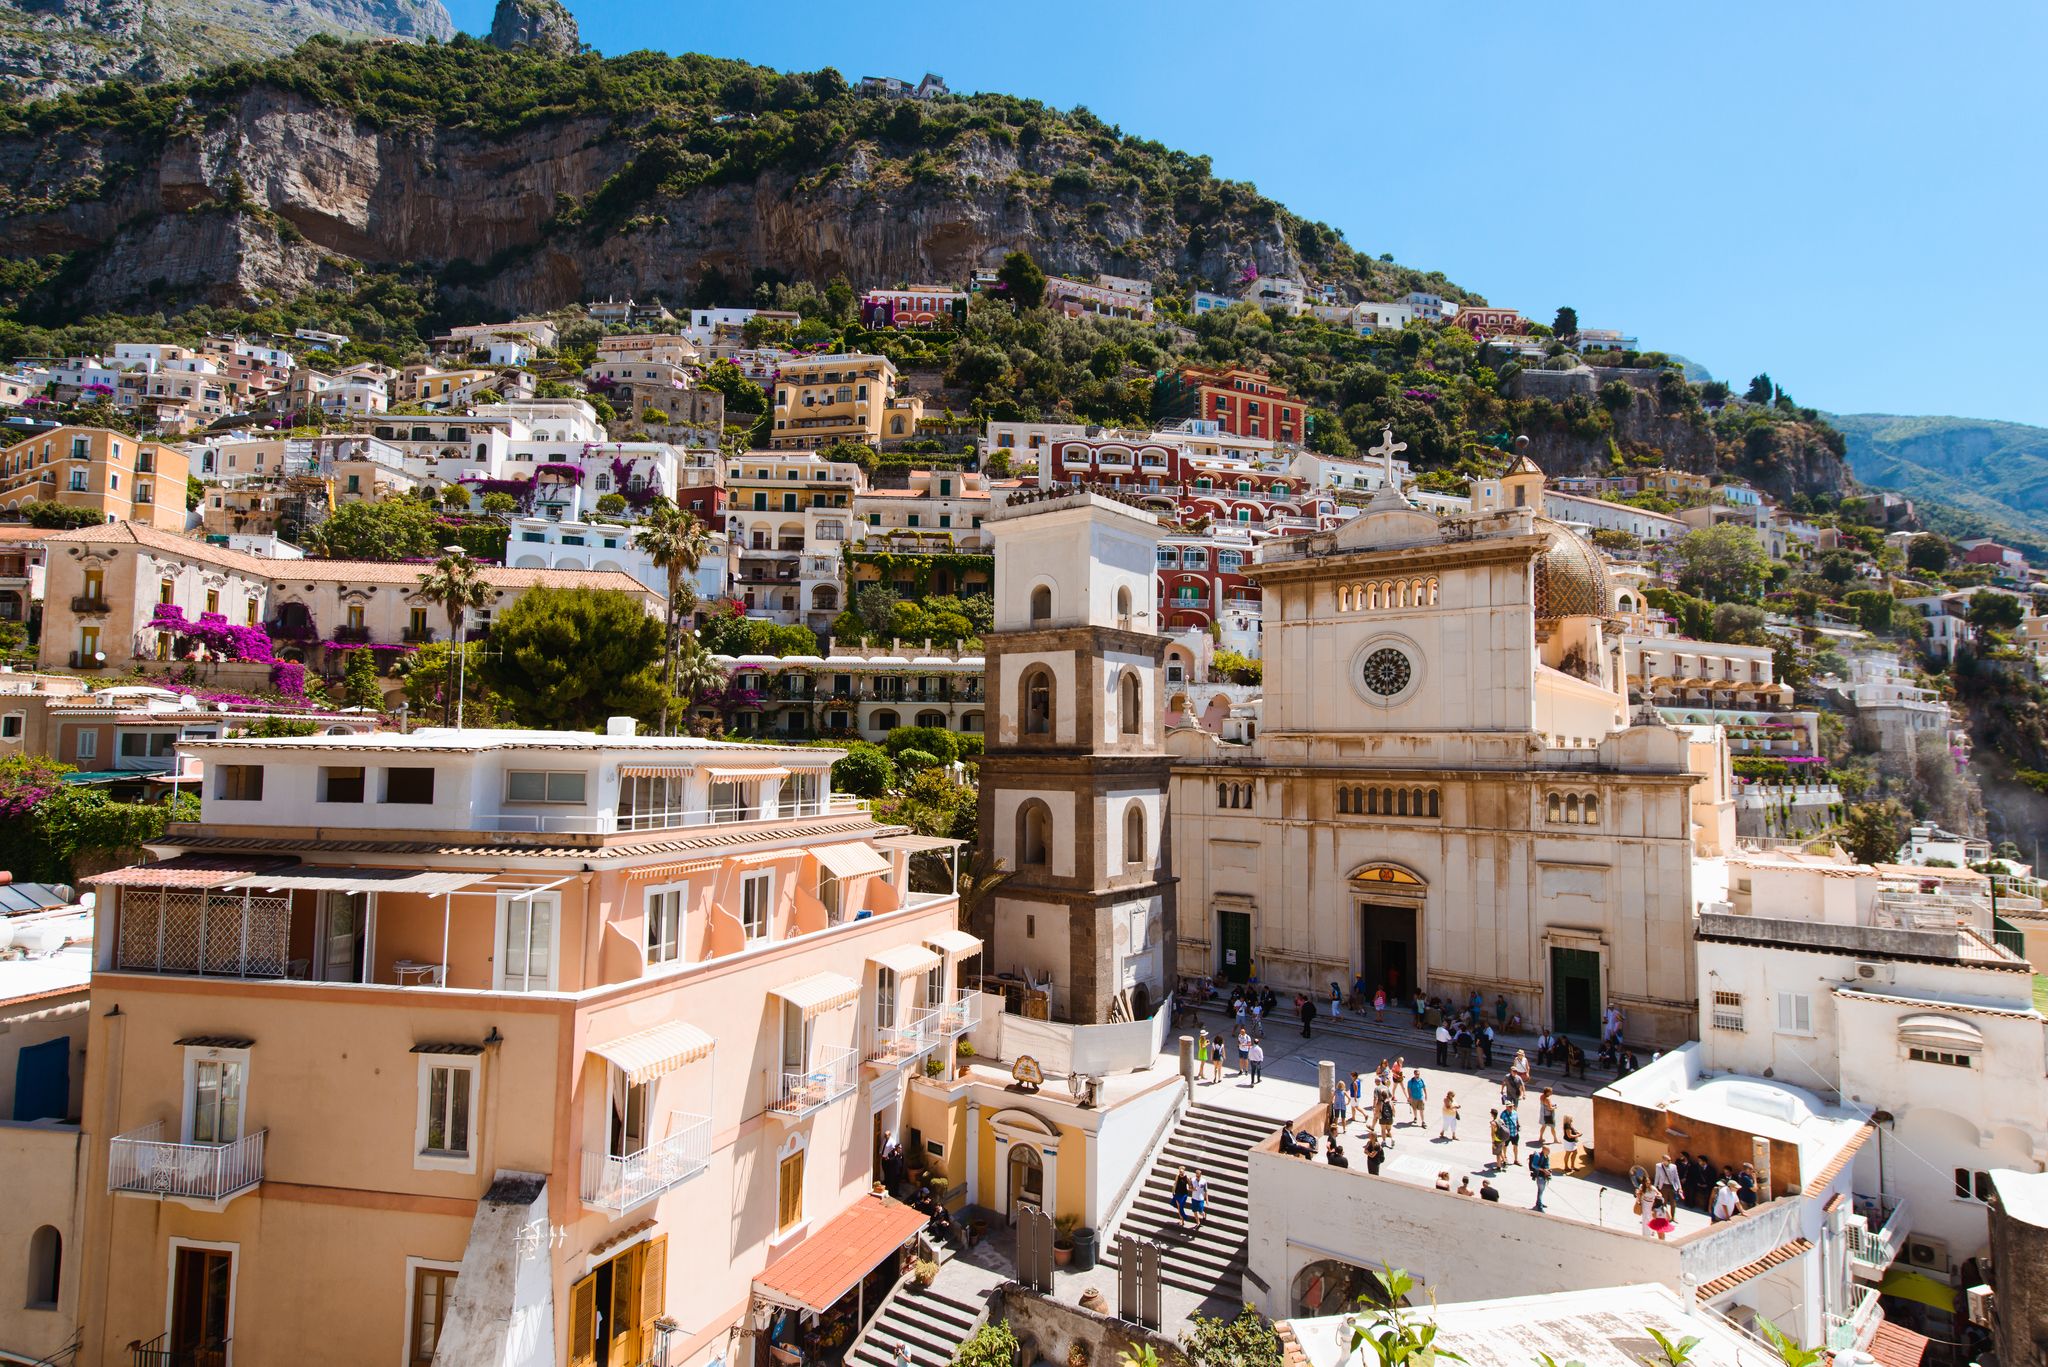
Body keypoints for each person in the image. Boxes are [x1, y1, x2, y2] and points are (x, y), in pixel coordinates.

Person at [1529, 1142, 1552, 1211]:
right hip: (1539, 1176)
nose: (1549, 1152)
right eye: (1548, 1151)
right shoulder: (1538, 1156)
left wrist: (1548, 1170)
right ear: (1544, 1150)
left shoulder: (1546, 1156)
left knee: (1541, 1191)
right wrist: (1543, 1170)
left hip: (1544, 1176)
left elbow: (1547, 1164)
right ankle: (1539, 1205)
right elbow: (1534, 1165)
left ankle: (1539, 1202)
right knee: (1540, 1190)